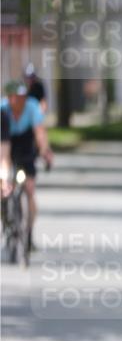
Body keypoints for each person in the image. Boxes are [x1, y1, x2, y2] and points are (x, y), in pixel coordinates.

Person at [1, 81, 54, 247]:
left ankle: (29, 233)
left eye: (23, 97)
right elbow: (3, 150)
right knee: (3, 187)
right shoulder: (3, 112)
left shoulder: (32, 107)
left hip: (25, 143)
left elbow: (40, 133)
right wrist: (4, 179)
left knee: (29, 188)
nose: (20, 101)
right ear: (9, 98)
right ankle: (6, 218)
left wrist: (45, 151)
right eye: (16, 97)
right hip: (6, 142)